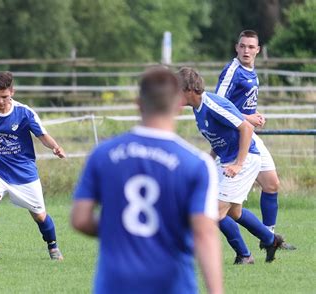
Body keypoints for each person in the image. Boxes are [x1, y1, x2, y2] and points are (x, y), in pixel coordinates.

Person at [71, 66, 223, 294]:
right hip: (173, 285)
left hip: (114, 285)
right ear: (177, 107)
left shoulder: (102, 154)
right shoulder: (197, 163)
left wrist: (117, 228)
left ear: (138, 103)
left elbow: (80, 219)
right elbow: (205, 233)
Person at [178, 67, 285, 264]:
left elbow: (246, 127)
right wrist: (208, 161)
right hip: (227, 160)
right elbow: (218, 139)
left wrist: (239, 163)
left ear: (190, 89)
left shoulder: (211, 104)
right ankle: (270, 240)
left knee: (214, 211)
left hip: (244, 159)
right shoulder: (197, 109)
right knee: (234, 212)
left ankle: (244, 255)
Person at [0, 71, 66, 261]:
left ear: (12, 92)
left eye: (5, 96)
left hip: (24, 173)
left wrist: (55, 147)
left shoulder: (24, 112)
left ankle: (53, 247)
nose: (0, 101)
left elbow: (42, 135)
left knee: (39, 216)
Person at [216, 30, 295, 251]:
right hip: (234, 138)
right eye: (243, 46)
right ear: (236, 47)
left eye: (251, 47)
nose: (246, 50)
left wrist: (254, 114)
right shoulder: (232, 71)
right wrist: (247, 117)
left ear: (258, 50)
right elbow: (217, 105)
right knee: (230, 208)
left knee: (272, 184)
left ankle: (268, 237)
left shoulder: (250, 70)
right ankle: (250, 248)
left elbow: (240, 105)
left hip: (249, 133)